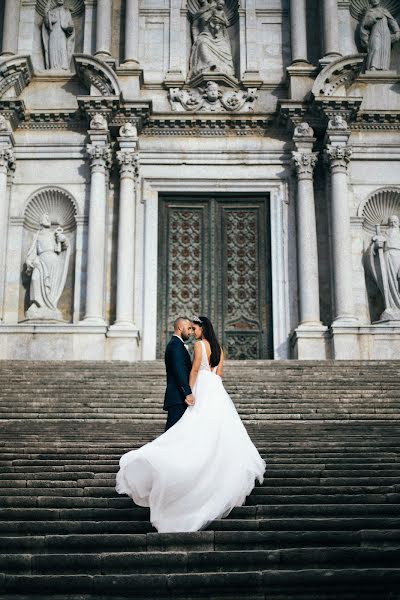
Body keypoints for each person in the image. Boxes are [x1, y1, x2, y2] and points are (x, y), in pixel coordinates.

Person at [115, 315, 266, 533]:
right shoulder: (220, 349)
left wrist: (190, 392)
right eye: (190, 328)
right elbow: (220, 374)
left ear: (202, 329)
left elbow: (194, 370)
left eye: (195, 328)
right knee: (217, 434)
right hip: (217, 390)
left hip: (203, 387)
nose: (193, 331)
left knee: (192, 431)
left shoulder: (198, 346)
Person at [163, 316, 195, 431]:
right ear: (180, 328)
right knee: (171, 436)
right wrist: (188, 393)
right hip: (178, 398)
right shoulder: (176, 345)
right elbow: (179, 370)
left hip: (178, 398)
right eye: (189, 328)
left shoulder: (176, 344)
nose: (191, 332)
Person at [360, 0, 400, 71]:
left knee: (385, 49)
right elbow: (365, 25)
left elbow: (392, 21)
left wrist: (397, 31)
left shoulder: (385, 11)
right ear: (370, 2)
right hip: (375, 31)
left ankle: (384, 67)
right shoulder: (369, 12)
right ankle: (372, 66)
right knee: (375, 47)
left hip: (386, 32)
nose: (375, 0)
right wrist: (374, 18)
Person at [42, 0, 75, 71]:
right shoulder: (52, 11)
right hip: (53, 33)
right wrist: (47, 15)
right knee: (53, 49)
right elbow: (47, 24)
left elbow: (70, 24)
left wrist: (70, 28)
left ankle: (63, 67)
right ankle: (53, 67)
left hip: (62, 33)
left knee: (62, 48)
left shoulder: (67, 11)